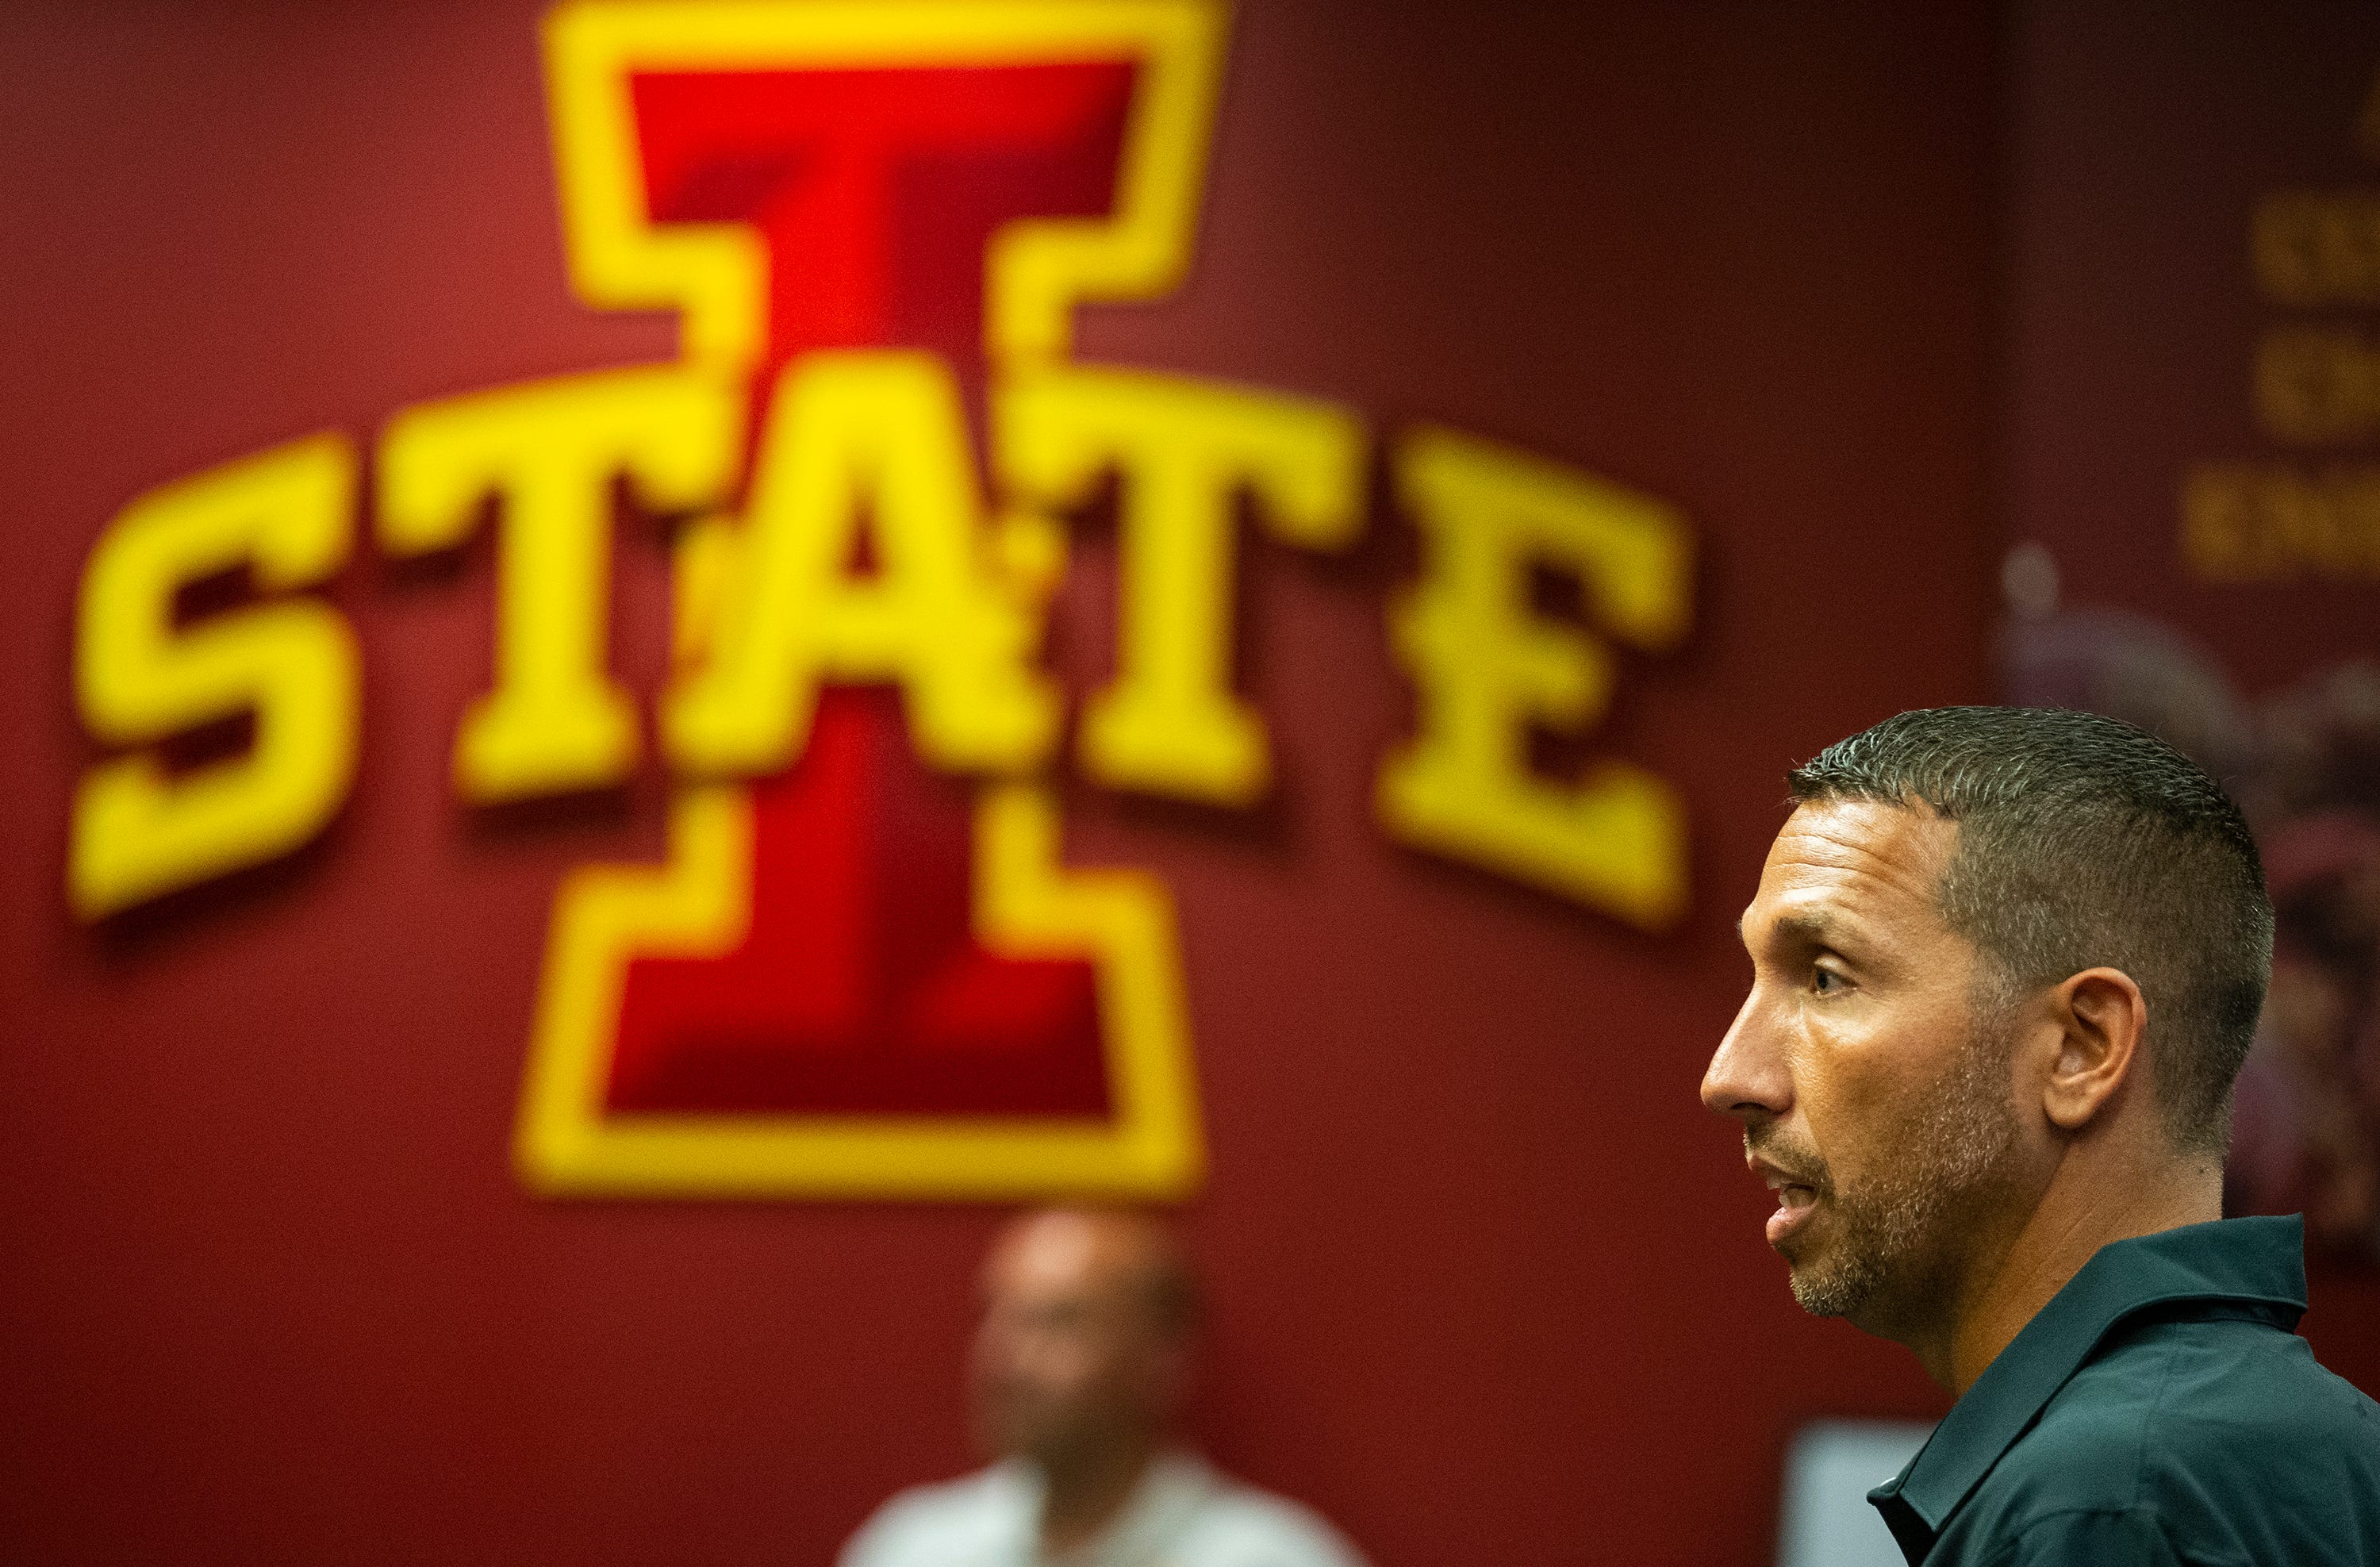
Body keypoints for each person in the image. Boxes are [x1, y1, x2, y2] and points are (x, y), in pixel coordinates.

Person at [1701, 707, 2380, 1565]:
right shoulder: (2329, 1451)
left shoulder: (2102, 1507)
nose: (1730, 1075)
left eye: (1827, 977)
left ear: (2080, 1047)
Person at [838, 1208, 1367, 1567]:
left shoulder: (1274, 1558)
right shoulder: (912, 1548)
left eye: (1059, 1322)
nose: (1006, 1359)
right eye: (998, 1318)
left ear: (1165, 1360)